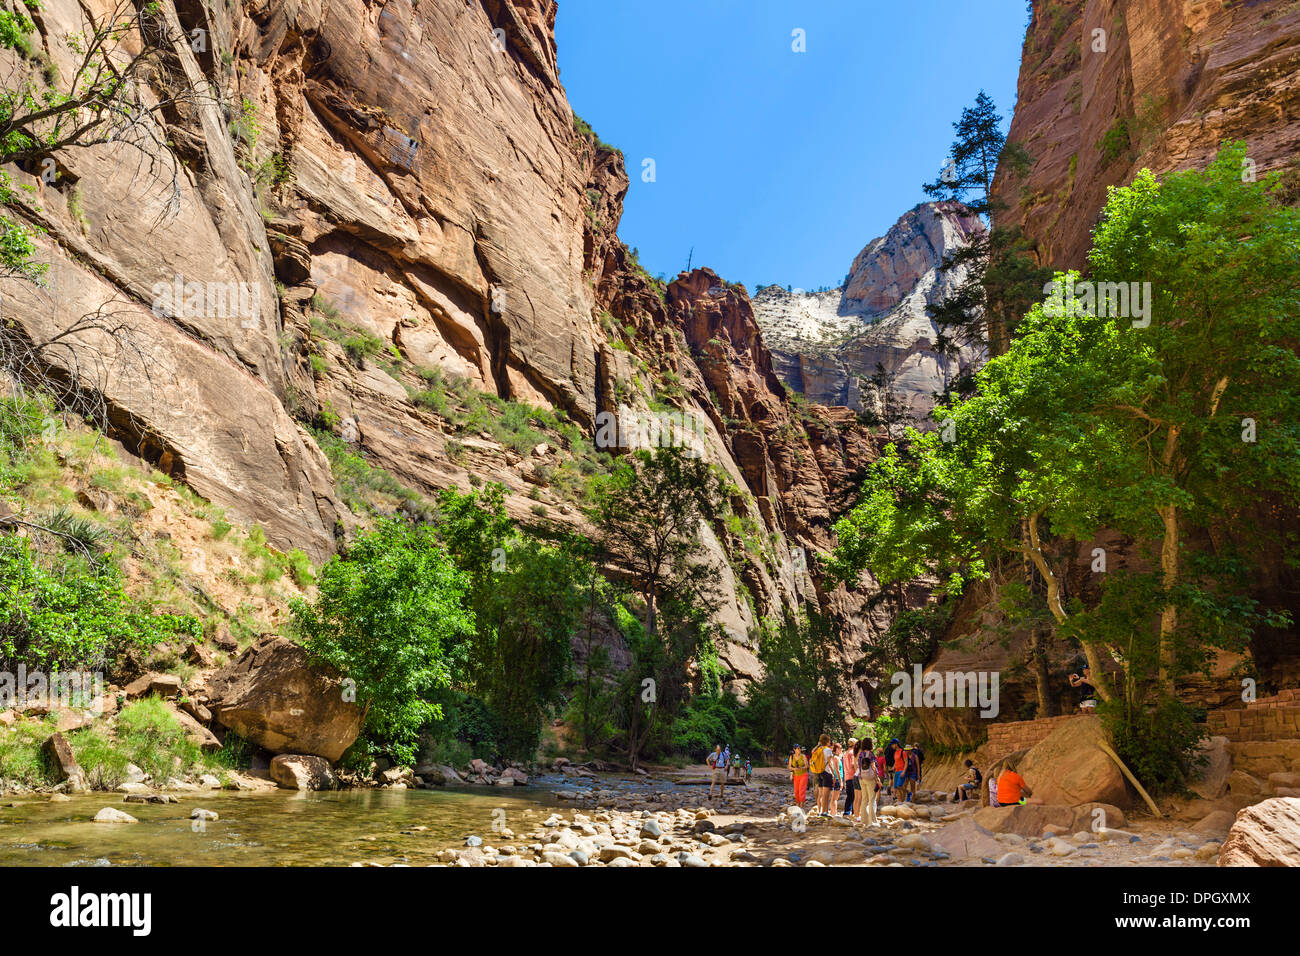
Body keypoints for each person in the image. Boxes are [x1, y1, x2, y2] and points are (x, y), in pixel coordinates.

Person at [855, 738, 878, 826]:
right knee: (872, 799)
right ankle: (872, 821)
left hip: (861, 778)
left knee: (864, 799)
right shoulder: (871, 754)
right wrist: (877, 778)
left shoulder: (860, 754)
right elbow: (873, 767)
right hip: (870, 778)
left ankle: (864, 821)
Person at [810, 734, 834, 816]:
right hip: (826, 772)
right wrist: (834, 775)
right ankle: (825, 812)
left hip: (819, 772)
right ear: (827, 741)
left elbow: (812, 753)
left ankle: (820, 812)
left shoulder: (818, 749)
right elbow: (830, 763)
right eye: (829, 741)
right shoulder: (828, 750)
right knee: (826, 795)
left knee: (821, 794)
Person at [842, 739, 858, 817]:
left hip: (847, 776)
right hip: (853, 775)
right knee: (855, 795)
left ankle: (846, 812)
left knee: (849, 796)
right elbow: (853, 764)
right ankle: (855, 812)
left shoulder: (845, 753)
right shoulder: (853, 752)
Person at [829, 743, 844, 815]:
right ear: (836, 749)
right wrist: (841, 781)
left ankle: (833, 812)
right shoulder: (836, 758)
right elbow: (837, 770)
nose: (841, 750)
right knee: (835, 798)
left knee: (834, 798)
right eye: (840, 748)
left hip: (837, 779)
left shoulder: (835, 757)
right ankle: (834, 813)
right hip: (838, 779)